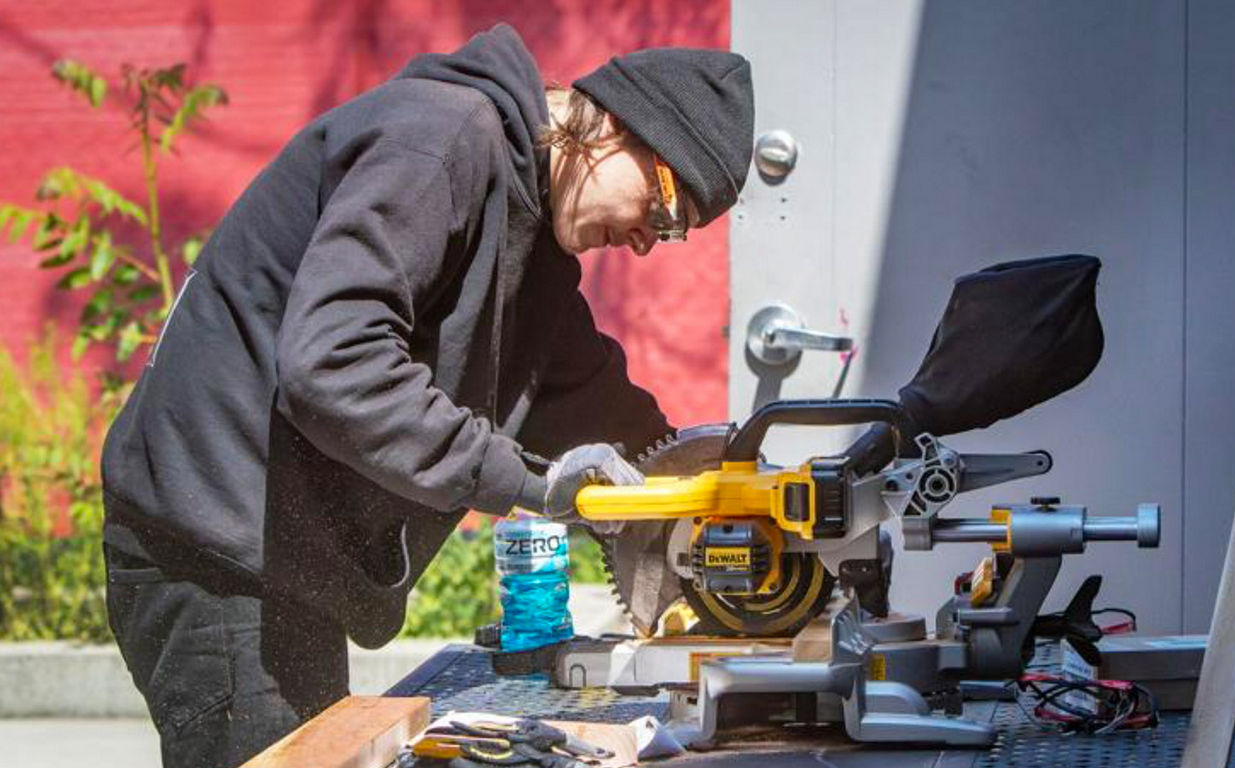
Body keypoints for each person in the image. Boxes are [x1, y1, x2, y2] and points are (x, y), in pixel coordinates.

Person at [99, 23, 753, 768]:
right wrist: (532, 484)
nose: (648, 238)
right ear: (609, 123)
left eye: (675, 235)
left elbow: (596, 405)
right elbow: (335, 364)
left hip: (277, 563)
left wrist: (713, 501)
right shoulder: (441, 141)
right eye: (666, 205)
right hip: (209, 549)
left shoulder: (531, 234)